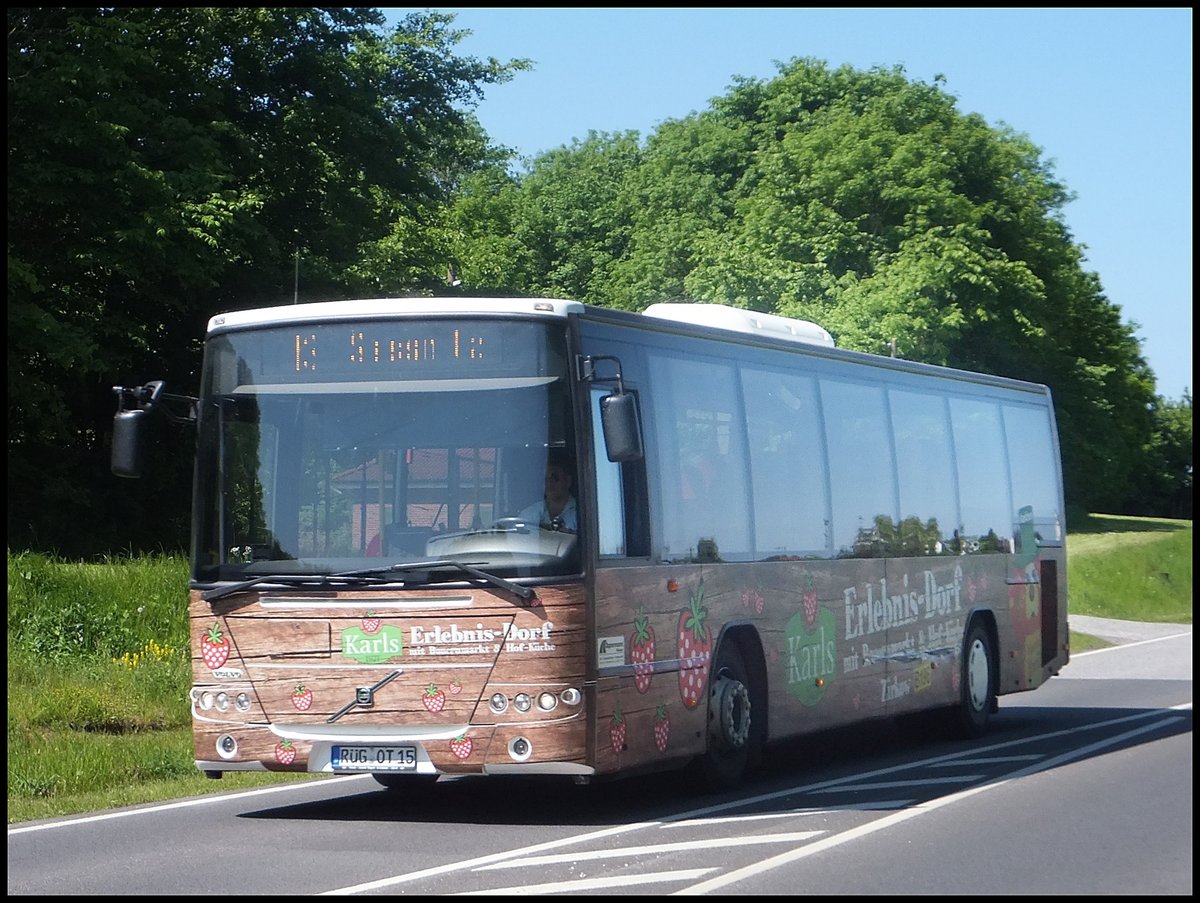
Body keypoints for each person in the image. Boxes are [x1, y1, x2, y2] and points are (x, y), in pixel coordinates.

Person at [518, 449, 578, 533]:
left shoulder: (582, 515)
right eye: (546, 478)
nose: (549, 482)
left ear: (568, 481)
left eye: (555, 478)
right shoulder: (528, 515)